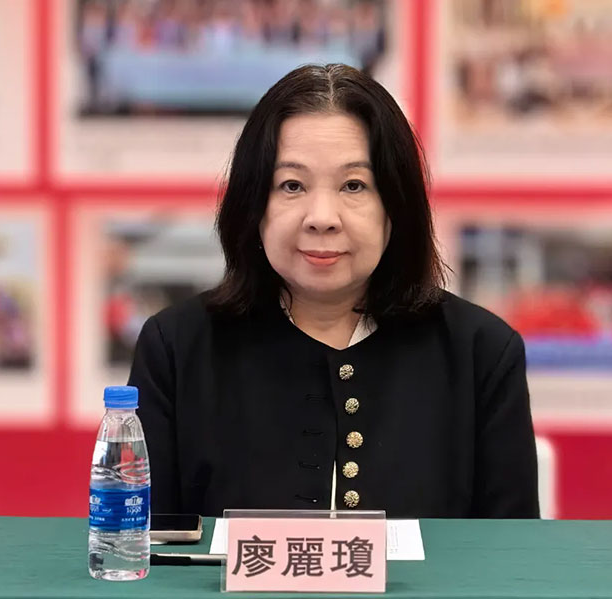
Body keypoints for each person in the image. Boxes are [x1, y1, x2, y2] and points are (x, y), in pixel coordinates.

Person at [129, 63, 539, 518]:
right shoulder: (176, 348)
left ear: (396, 204)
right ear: (253, 203)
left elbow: (512, 554)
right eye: (292, 185)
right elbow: (141, 546)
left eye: (353, 185)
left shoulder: (482, 353)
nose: (322, 217)